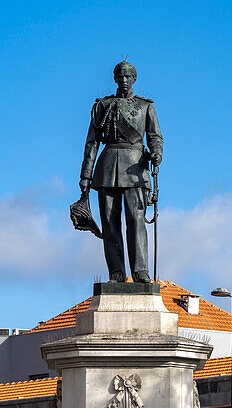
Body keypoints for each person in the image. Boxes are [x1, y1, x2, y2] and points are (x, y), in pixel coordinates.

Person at [79, 61, 163, 283]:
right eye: (120, 77)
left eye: (128, 77)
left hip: (135, 168)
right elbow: (92, 143)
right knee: (109, 222)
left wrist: (156, 153)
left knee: (136, 220)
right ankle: (116, 272)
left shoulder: (146, 107)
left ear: (134, 79)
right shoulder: (103, 106)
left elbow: (155, 137)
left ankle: (140, 271)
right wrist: (86, 176)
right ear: (115, 79)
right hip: (107, 168)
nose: (124, 80)